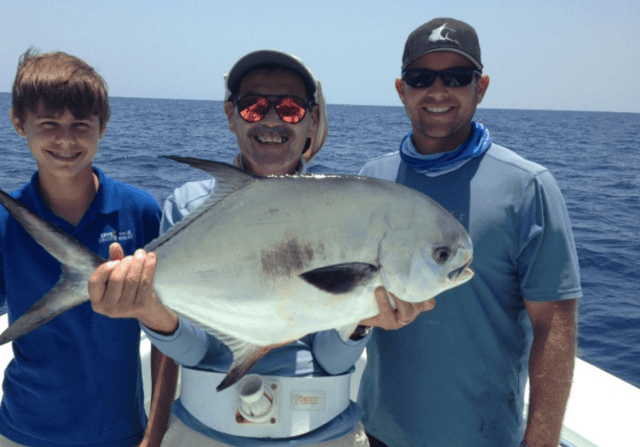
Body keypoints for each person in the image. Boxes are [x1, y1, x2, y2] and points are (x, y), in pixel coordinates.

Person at [88, 50, 435, 447]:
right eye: (253, 106)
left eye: (289, 108)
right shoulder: (187, 206)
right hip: (206, 432)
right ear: (231, 115)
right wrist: (148, 309)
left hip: (323, 434)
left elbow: (330, 359)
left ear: (312, 120)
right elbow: (195, 352)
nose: (271, 119)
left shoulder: (343, 213)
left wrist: (362, 321)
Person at [0, 49, 169, 447]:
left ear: (103, 126)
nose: (66, 139)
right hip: (21, 434)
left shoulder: (141, 211)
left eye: (81, 124)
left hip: (121, 436)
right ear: (18, 122)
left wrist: (154, 436)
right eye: (49, 123)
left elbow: (167, 332)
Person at [357, 18, 583, 447]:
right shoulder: (373, 180)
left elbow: (554, 324)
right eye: (421, 77)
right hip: (378, 431)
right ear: (401, 89)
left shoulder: (527, 186)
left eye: (457, 77)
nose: (438, 91)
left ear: (481, 87)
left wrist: (541, 441)